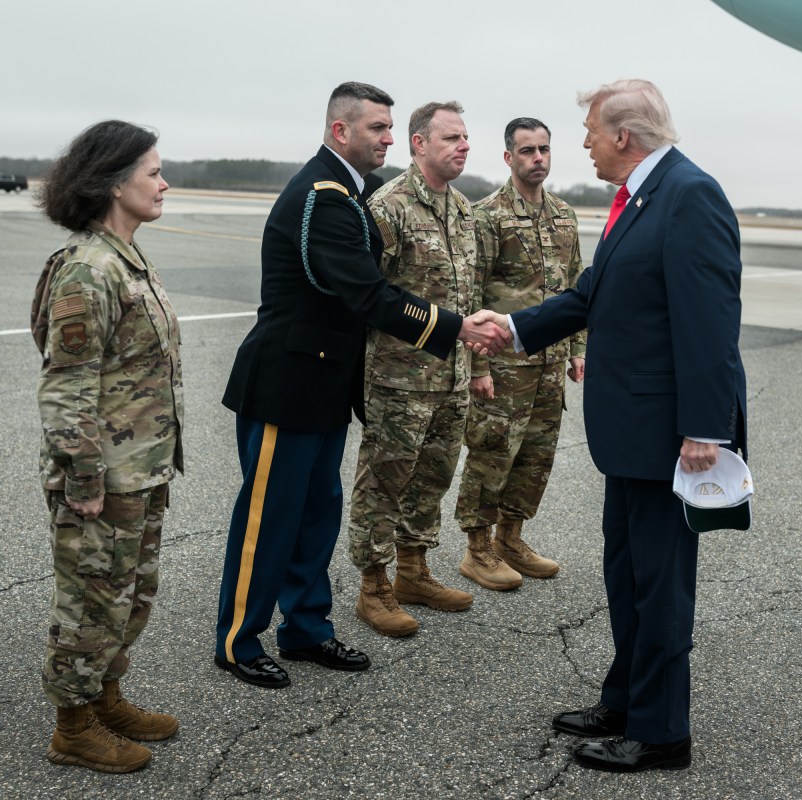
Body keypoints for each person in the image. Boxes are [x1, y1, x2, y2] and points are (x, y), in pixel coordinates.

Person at [479, 79, 747, 773]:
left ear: (623, 137)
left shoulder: (690, 195)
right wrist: (511, 327)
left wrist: (704, 430)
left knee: (660, 585)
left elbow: (711, 324)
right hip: (632, 433)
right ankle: (626, 697)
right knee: (627, 575)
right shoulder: (639, 199)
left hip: (671, 438)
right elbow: (592, 293)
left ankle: (661, 734)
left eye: (592, 132)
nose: (586, 144)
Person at [216, 84, 507, 688]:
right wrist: (456, 328)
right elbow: (368, 296)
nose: (387, 139)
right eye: (377, 128)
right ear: (340, 130)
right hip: (287, 383)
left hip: (324, 383)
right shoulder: (322, 197)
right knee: (269, 518)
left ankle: (306, 629)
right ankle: (238, 641)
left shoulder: (356, 191)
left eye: (390, 127)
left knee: (317, 513)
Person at [31, 120, 183, 773]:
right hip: (104, 479)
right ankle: (73, 727)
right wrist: (85, 479)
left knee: (128, 594)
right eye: (152, 171)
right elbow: (67, 387)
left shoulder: (128, 260)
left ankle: (105, 697)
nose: (163, 181)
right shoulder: (88, 271)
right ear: (114, 182)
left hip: (141, 469)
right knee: (90, 603)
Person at [348, 101, 482, 637]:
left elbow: (469, 297)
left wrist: (475, 366)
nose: (463, 146)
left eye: (466, 137)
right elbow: (369, 297)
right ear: (418, 144)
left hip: (451, 377)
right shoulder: (389, 206)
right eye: (451, 137)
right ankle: (373, 585)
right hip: (400, 380)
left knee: (432, 479)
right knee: (384, 483)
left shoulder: (464, 210)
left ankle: (413, 570)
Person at [454, 117, 586, 591]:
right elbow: (469, 295)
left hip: (549, 365)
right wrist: (478, 365)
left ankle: (512, 537)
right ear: (508, 157)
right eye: (527, 150)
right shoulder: (486, 216)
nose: (538, 158)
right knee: (492, 453)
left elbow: (575, 288)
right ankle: (478, 549)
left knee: (535, 457)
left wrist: (576, 348)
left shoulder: (565, 216)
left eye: (544, 149)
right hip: (503, 366)